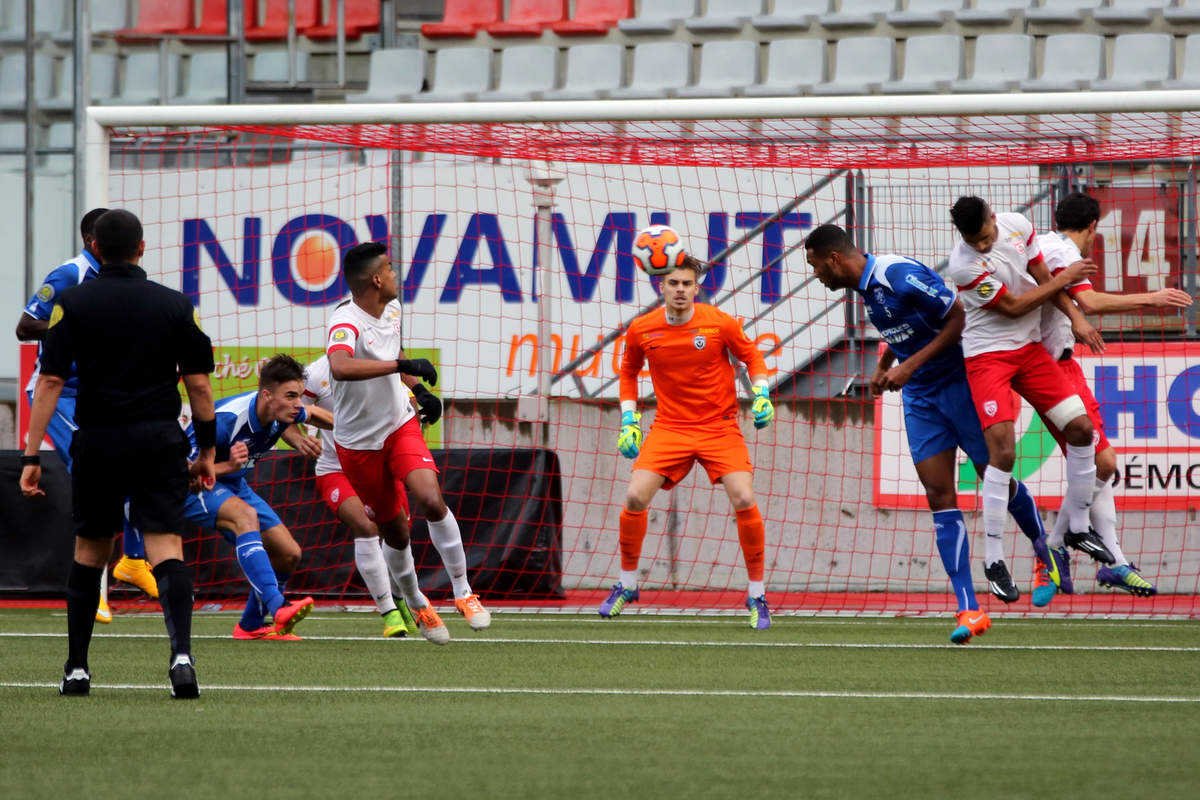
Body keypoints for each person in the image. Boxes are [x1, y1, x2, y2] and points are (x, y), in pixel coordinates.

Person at [805, 224, 1063, 643]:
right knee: (939, 495)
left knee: (992, 475)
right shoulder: (869, 289)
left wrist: (910, 365)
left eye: (815, 264)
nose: (816, 274)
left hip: (962, 382)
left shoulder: (899, 274)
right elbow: (906, 331)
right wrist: (886, 364)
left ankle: (1043, 551)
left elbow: (959, 318)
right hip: (922, 398)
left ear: (834, 258)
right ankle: (969, 609)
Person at [19, 208, 217, 698]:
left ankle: (78, 668)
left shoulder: (73, 303)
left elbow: (49, 380)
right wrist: (207, 451)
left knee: (90, 550)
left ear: (97, 249)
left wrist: (30, 455)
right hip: (158, 439)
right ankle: (182, 659)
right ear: (142, 248)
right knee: (166, 546)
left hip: (99, 439)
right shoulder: (176, 305)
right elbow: (199, 386)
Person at [1027, 192, 1192, 604]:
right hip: (1049, 371)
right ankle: (1061, 547)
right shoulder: (1061, 249)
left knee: (1100, 465)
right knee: (1103, 462)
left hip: (1060, 367)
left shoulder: (1047, 246)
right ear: (1092, 228)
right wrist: (1151, 298)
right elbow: (1089, 300)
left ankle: (1105, 558)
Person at [947, 196, 1114, 604]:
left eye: (986, 237)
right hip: (988, 356)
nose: (983, 246)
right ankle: (994, 559)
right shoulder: (964, 264)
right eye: (975, 241)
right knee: (1001, 453)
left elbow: (1041, 275)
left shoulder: (1019, 225)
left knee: (1082, 430)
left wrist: (1075, 318)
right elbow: (1017, 305)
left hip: (1030, 351)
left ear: (992, 217)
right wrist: (1066, 278)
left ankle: (1075, 526)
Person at [600, 243, 776, 629]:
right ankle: (627, 584)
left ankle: (757, 594)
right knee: (633, 495)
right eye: (673, 282)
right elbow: (628, 375)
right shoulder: (642, 329)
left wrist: (761, 393)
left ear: (697, 288)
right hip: (670, 428)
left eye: (687, 283)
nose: (680, 289)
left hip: (719, 426)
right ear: (660, 287)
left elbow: (752, 357)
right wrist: (629, 421)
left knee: (744, 496)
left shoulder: (719, 323)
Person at [326, 240, 492, 645]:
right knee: (395, 532)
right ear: (377, 279)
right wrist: (402, 365)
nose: (398, 275)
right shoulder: (344, 322)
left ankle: (463, 591)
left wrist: (418, 387)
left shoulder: (394, 308)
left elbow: (392, 352)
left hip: (399, 424)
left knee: (431, 498)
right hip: (357, 444)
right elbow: (341, 366)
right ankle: (417, 601)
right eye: (392, 268)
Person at [16, 208, 158, 623]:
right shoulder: (70, 275)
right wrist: (79, 327)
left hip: (100, 395)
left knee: (127, 471)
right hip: (58, 394)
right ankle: (94, 590)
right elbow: (26, 327)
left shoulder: (123, 277)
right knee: (100, 479)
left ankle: (131, 560)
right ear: (90, 240)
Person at [182, 354, 329, 641]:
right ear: (266, 394)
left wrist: (305, 434)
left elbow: (317, 417)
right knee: (245, 517)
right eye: (291, 396)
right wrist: (227, 466)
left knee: (289, 554)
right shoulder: (225, 422)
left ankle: (250, 626)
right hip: (192, 488)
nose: (298, 403)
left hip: (233, 484)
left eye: (299, 395)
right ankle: (279, 608)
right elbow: (182, 470)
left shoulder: (281, 407)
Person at [296, 353, 418, 638]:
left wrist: (415, 409)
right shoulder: (316, 375)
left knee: (398, 535)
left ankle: (401, 598)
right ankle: (388, 612)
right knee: (365, 526)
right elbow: (292, 409)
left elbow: (408, 401)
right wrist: (300, 437)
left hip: (379, 466)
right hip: (335, 469)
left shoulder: (383, 369)